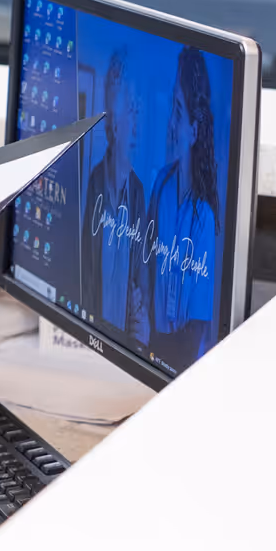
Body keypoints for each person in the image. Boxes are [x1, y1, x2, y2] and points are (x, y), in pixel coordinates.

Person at [147, 43, 222, 370]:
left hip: (179, 360)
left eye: (177, 110)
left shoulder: (203, 214)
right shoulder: (161, 184)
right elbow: (146, 267)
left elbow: (197, 325)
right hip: (149, 342)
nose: (170, 122)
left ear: (193, 130)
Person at [79, 49, 150, 348]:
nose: (136, 119)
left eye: (138, 108)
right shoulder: (92, 182)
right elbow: (83, 278)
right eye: (129, 107)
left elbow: (139, 289)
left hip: (121, 347)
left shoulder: (138, 193)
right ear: (113, 119)